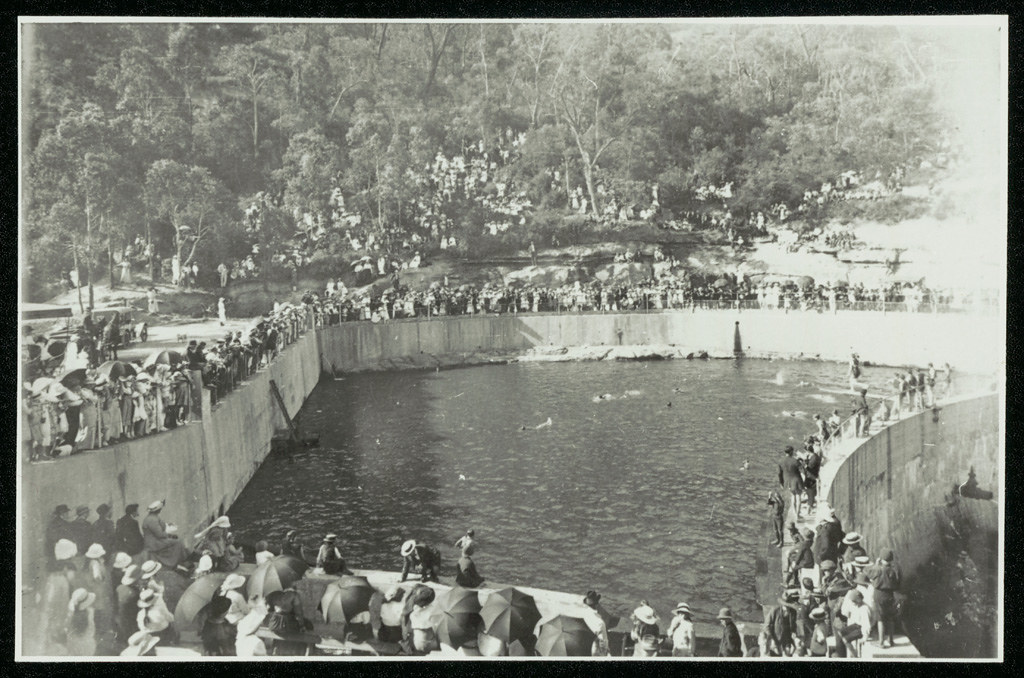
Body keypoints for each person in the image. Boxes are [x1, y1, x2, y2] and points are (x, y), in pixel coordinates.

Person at [865, 549, 901, 649]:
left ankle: (881, 642)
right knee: (890, 618)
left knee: (880, 619)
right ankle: (891, 640)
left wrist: (876, 564)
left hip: (879, 594)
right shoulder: (895, 569)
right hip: (890, 595)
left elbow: (868, 572)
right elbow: (898, 583)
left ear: (881, 558)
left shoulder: (879, 569)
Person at [141, 500, 188, 569]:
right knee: (178, 542)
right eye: (160, 509)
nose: (160, 510)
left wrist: (167, 525)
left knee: (175, 538)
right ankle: (177, 561)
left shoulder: (152, 517)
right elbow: (159, 534)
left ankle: (178, 560)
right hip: (154, 543)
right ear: (157, 510)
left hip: (155, 540)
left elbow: (160, 527)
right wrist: (169, 533)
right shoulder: (152, 520)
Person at [64, 588, 98, 656]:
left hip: (73, 645)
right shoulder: (90, 613)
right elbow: (92, 631)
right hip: (87, 646)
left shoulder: (70, 614)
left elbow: (67, 629)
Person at [766, 589, 798, 656]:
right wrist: (771, 639)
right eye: (786, 605)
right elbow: (767, 626)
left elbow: (793, 625)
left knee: (789, 656)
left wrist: (794, 632)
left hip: (787, 640)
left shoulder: (793, 612)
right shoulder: (774, 610)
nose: (787, 607)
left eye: (789, 605)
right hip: (776, 639)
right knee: (776, 656)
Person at [777, 445, 804, 526]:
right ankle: (798, 515)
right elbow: (803, 470)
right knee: (799, 497)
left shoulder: (781, 461)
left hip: (787, 482)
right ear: (792, 451)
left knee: (793, 497)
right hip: (797, 480)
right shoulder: (795, 461)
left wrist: (781, 483)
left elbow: (779, 473)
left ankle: (795, 514)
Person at [581, 590, 612, 656]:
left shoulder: (585, 614)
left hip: (591, 646)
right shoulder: (600, 622)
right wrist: (607, 651)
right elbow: (603, 641)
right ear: (596, 604)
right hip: (598, 648)